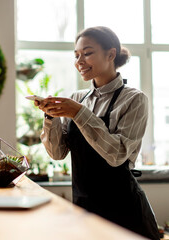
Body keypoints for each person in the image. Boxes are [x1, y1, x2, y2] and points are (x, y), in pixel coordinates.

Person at [35, 26, 160, 240]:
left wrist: (79, 113)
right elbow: (57, 153)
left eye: (87, 53)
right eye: (76, 55)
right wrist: (50, 118)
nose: (79, 61)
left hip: (123, 209)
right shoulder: (78, 98)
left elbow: (117, 154)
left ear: (111, 54)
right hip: (84, 206)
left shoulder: (134, 99)